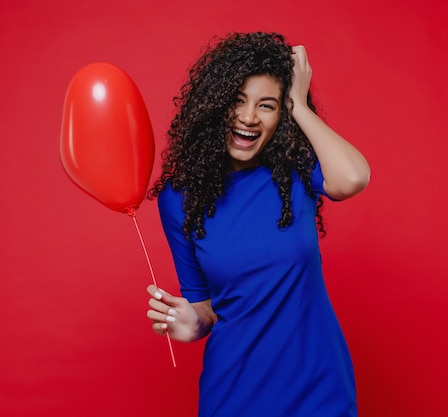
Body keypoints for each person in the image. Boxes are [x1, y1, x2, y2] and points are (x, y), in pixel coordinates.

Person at [146, 32, 370, 417]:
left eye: (266, 105)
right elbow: (205, 309)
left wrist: (299, 104)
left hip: (319, 388)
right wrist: (191, 324)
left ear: (280, 115)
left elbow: (352, 178)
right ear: (213, 106)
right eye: (237, 100)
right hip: (235, 393)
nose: (249, 117)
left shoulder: (295, 170)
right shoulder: (179, 199)